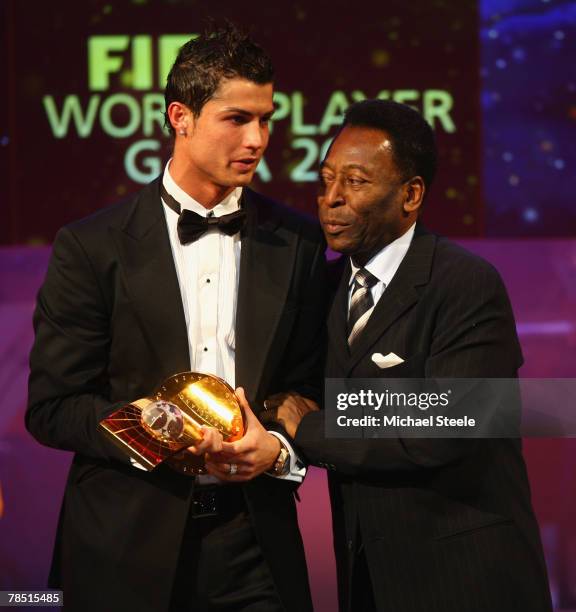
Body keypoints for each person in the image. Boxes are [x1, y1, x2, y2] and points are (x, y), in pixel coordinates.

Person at [26, 23, 326, 612]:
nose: (258, 138)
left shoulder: (299, 244)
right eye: (237, 119)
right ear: (180, 117)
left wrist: (279, 449)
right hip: (122, 546)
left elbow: (312, 389)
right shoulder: (92, 246)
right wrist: (149, 432)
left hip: (255, 547)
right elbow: (52, 407)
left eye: (266, 118)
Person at [272, 100, 553, 611]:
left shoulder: (464, 283)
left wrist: (311, 428)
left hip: (469, 583)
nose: (330, 199)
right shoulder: (327, 290)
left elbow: (445, 422)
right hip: (369, 584)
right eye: (326, 179)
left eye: (354, 182)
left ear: (411, 194)